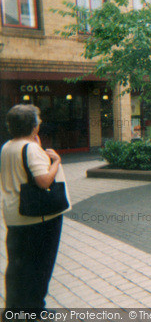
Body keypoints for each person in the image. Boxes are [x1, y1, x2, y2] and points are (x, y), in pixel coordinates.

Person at [1, 104, 70, 313]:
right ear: (33, 126)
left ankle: (13, 310)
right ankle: (35, 310)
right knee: (40, 267)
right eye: (38, 121)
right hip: (38, 218)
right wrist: (56, 161)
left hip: (15, 216)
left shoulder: (7, 146)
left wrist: (36, 146)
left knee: (17, 267)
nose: (39, 124)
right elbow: (44, 181)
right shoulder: (30, 149)